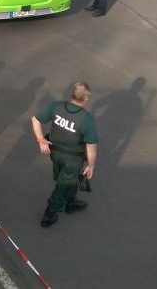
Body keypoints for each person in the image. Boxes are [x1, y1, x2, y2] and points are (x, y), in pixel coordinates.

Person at [31, 82, 98, 229]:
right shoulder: (86, 120)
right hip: (72, 159)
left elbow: (35, 119)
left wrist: (41, 140)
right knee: (63, 185)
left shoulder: (57, 106)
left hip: (55, 153)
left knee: (67, 178)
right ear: (86, 99)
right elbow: (91, 147)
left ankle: (71, 201)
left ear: (72, 94)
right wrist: (91, 165)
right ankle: (49, 214)